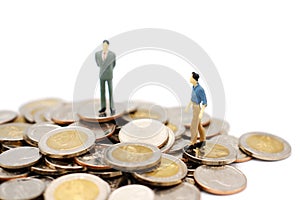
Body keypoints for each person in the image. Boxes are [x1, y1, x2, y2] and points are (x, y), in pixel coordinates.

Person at [185, 72, 207, 151]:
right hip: (194, 107)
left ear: (194, 79)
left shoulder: (200, 89)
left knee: (193, 127)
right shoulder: (193, 87)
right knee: (198, 126)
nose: (190, 79)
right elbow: (192, 98)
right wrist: (188, 106)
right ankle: (203, 140)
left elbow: (204, 102)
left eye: (191, 77)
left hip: (198, 108)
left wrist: (201, 113)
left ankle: (193, 142)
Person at [95, 40, 116, 115]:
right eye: (104, 45)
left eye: (106, 45)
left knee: (110, 91)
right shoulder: (97, 54)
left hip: (109, 74)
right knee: (102, 91)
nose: (105, 47)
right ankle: (103, 106)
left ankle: (112, 107)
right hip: (102, 75)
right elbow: (98, 63)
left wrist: (109, 70)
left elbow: (113, 64)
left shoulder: (112, 54)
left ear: (108, 46)